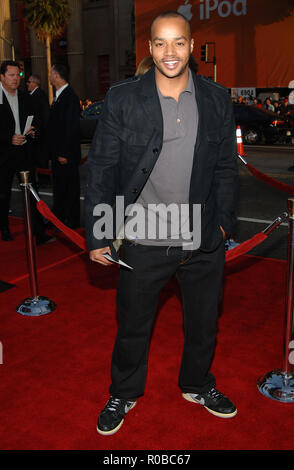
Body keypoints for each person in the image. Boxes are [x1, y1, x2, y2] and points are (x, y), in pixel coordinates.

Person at [85, 10, 238, 436]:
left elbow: (226, 167)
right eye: (160, 43)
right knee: (133, 325)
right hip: (144, 234)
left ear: (192, 45)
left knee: (204, 322)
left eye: (179, 42)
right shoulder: (123, 98)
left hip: (203, 235)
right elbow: (100, 167)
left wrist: (224, 225)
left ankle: (197, 384)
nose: (170, 52)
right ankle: (124, 391)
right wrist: (100, 232)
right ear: (149, 48)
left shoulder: (216, 98)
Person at [0, 60, 53, 244]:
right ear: (2, 76)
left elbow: (37, 120)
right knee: (3, 193)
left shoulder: (25, 98)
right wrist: (8, 138)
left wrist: (32, 130)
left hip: (24, 152)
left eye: (18, 75)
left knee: (32, 191)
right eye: (11, 75)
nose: (16, 79)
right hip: (4, 154)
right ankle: (4, 228)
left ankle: (39, 232)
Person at [47, 63, 81, 229]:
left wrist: (63, 153)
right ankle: (59, 217)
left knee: (69, 188)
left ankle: (71, 220)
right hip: (59, 154)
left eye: (51, 72)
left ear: (57, 75)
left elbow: (70, 127)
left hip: (65, 155)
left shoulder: (69, 97)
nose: (49, 75)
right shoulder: (60, 96)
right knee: (60, 187)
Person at [26, 74, 50, 186]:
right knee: (38, 158)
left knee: (41, 158)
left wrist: (38, 131)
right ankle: (42, 179)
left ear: (35, 83)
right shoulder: (33, 95)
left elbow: (43, 116)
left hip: (40, 134)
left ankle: (44, 180)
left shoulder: (39, 95)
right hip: (36, 133)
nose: (27, 84)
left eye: (29, 81)